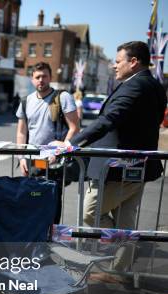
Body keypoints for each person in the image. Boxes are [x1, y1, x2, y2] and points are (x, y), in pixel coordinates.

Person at [54, 41, 166, 270]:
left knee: (90, 214)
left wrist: (71, 143)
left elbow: (109, 120)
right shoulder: (152, 85)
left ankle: (117, 257)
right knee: (125, 221)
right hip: (136, 168)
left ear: (133, 62)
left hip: (118, 168)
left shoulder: (137, 86)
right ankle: (118, 271)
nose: (114, 67)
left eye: (117, 62)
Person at [15, 61, 80, 223]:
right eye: (37, 77)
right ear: (32, 79)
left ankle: (50, 240)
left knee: (51, 204)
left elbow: (74, 128)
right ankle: (33, 241)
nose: (41, 80)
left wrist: (59, 152)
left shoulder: (63, 97)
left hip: (54, 161)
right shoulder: (26, 101)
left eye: (44, 76)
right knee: (30, 202)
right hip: (32, 161)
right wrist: (21, 157)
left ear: (51, 77)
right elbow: (21, 132)